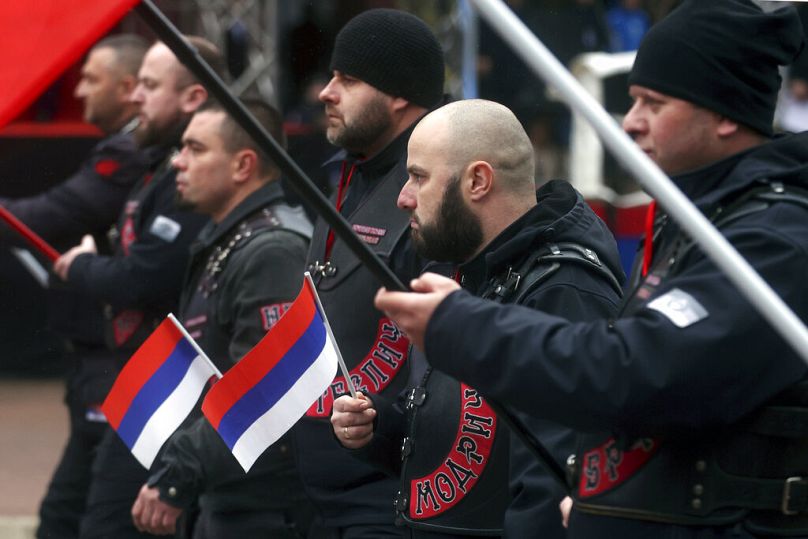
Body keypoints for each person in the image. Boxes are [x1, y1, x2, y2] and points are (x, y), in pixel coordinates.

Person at [375, 1, 808, 537]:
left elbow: (637, 371)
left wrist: (462, 325)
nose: (632, 123)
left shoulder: (775, 237)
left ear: (724, 114)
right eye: (632, 101)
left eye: (655, 102)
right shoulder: (701, 222)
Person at [330, 99, 624, 538]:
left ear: (478, 181)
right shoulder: (453, 269)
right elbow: (470, 442)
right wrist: (380, 430)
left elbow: (556, 477)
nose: (403, 198)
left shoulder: (562, 290)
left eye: (418, 177)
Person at [53, 36, 222, 539]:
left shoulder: (184, 180)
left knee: (105, 524)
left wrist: (82, 267)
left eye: (148, 86)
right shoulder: (152, 161)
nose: (135, 97)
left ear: (193, 97)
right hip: (140, 378)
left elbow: (145, 277)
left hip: (171, 384)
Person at [129, 99, 314, 538]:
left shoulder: (272, 250)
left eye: (195, 148)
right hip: (232, 493)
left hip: (263, 506)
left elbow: (262, 387)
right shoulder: (234, 238)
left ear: (242, 165)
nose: (178, 161)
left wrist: (179, 475)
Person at [299, 8, 445, 538]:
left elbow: (446, 357)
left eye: (349, 79)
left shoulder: (438, 191)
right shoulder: (343, 174)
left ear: (398, 95)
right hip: (318, 492)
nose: (326, 92)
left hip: (386, 497)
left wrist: (382, 426)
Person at [0, 33, 148, 539]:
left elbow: (46, 218)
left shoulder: (128, 153)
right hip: (99, 357)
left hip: (113, 360)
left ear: (129, 88)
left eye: (91, 79)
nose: (80, 91)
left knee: (79, 512)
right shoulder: (126, 149)